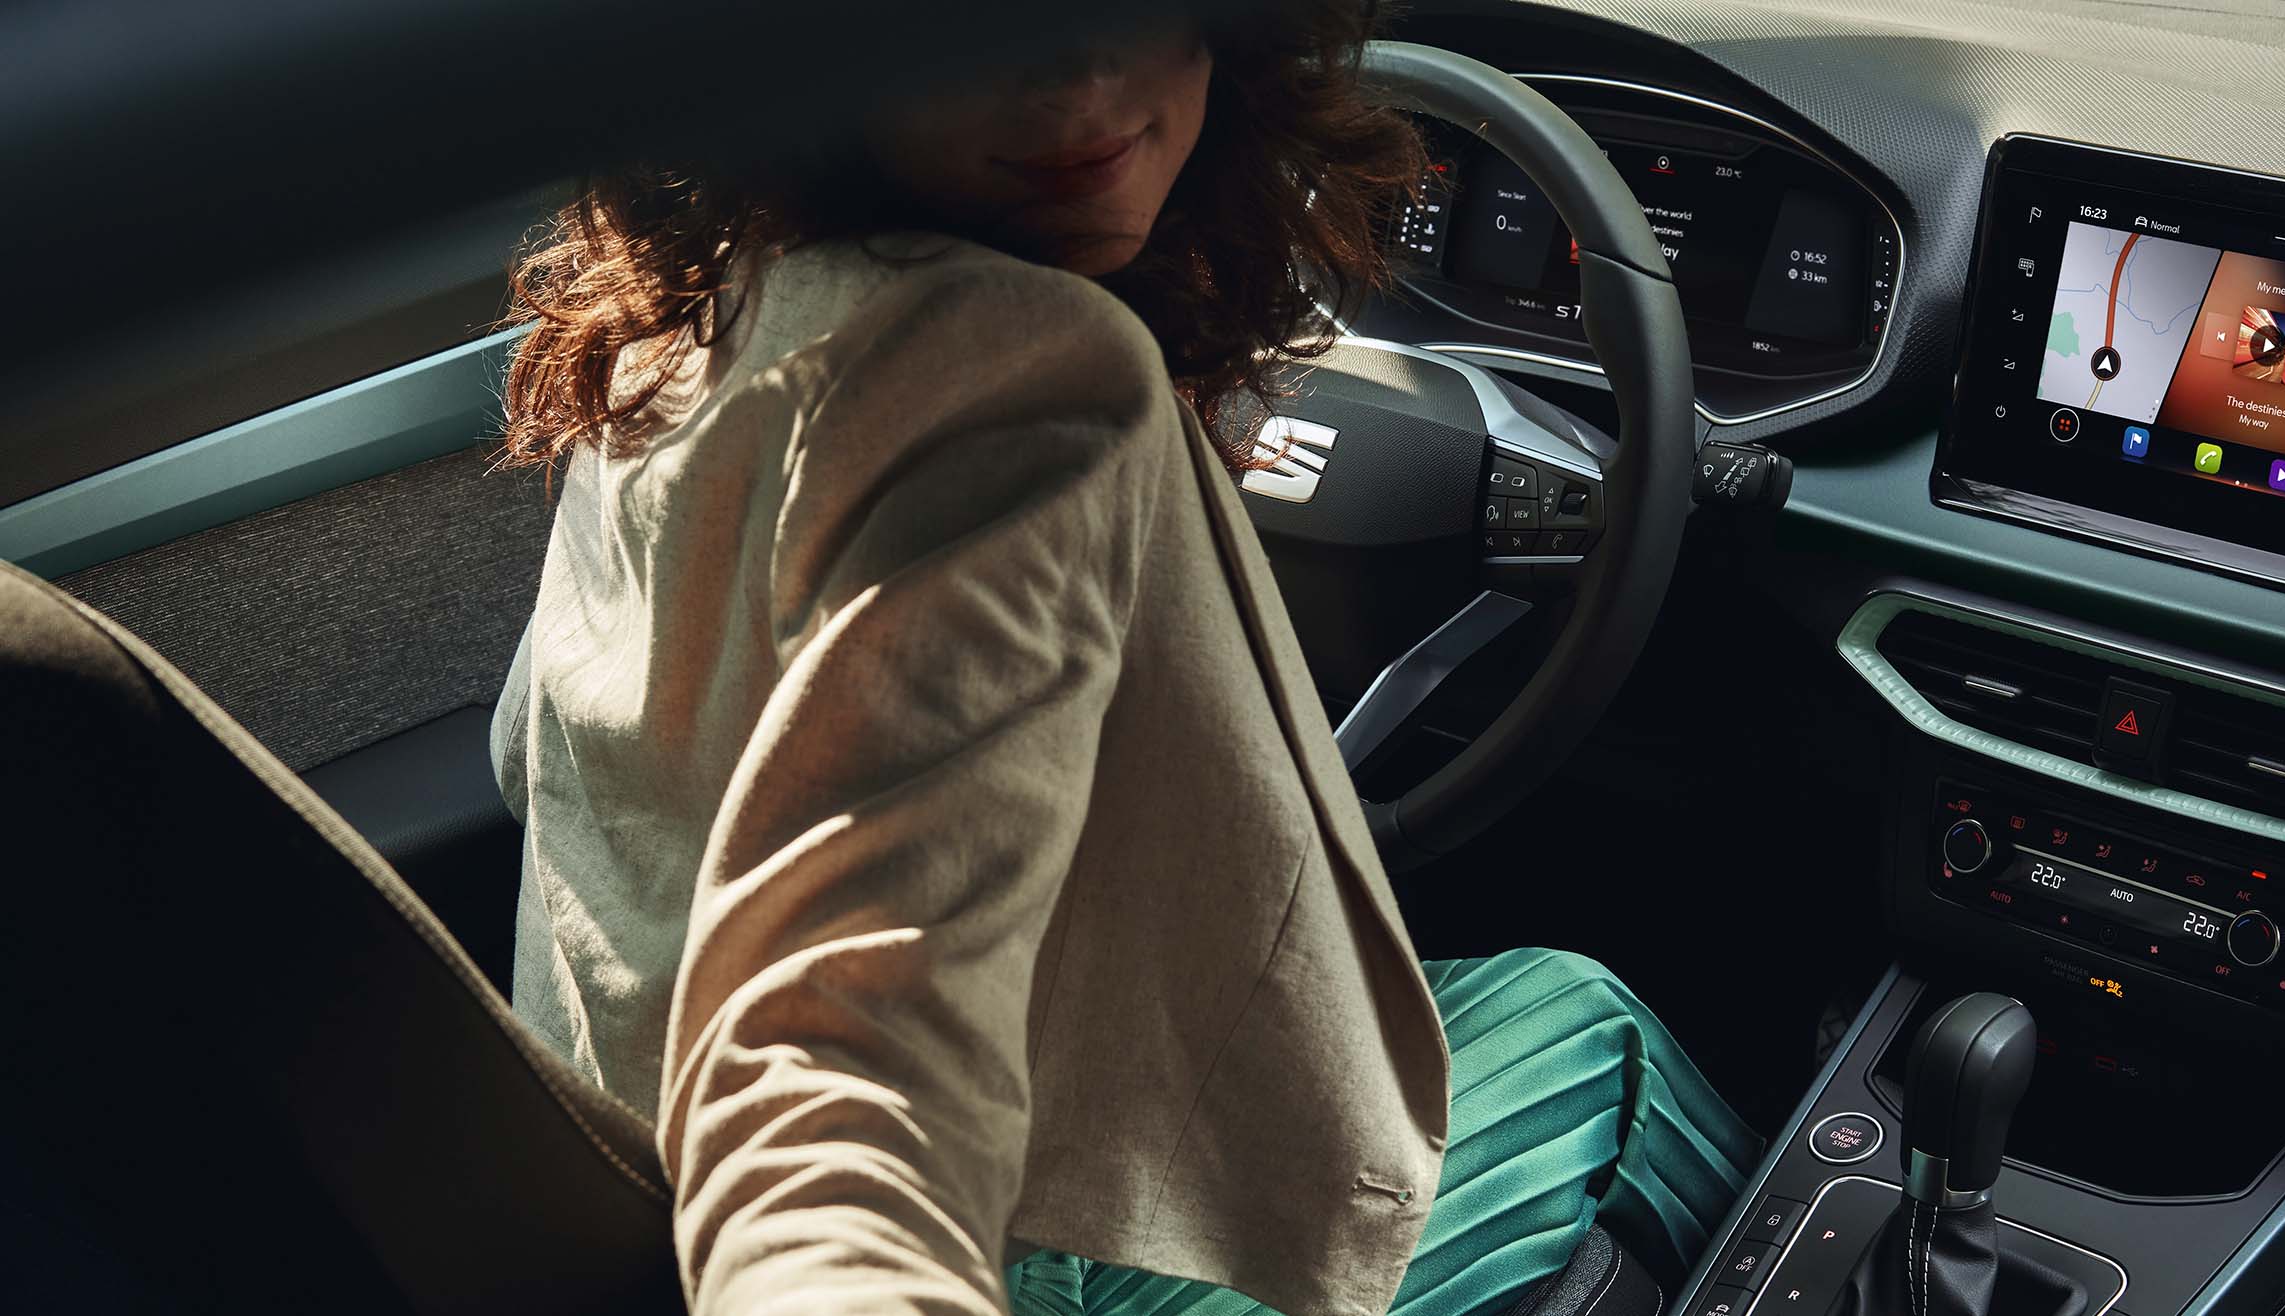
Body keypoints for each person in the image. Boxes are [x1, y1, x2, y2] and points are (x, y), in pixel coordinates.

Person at [487, 4, 1759, 1314]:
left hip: (647, 1201)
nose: (1083, 76)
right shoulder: (1022, 369)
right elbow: (841, 1070)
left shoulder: (686, 316)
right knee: (1595, 1034)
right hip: (1023, 1249)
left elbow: (549, 760)